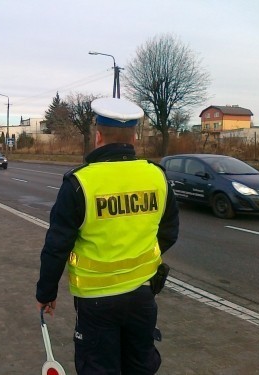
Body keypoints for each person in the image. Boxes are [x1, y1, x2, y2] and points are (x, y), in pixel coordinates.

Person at [36, 97, 179, 374]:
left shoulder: (80, 183)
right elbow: (170, 232)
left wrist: (46, 292)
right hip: (143, 296)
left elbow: (56, 247)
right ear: (134, 137)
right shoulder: (157, 177)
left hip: (96, 302)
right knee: (140, 367)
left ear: (98, 136)